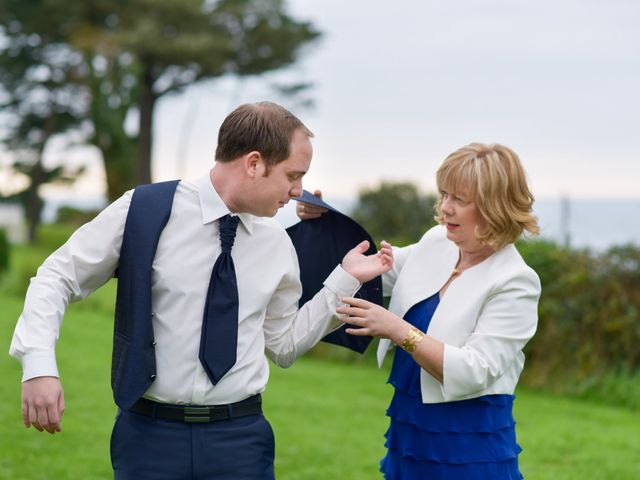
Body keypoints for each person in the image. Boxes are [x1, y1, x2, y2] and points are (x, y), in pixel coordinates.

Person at [9, 101, 393, 480]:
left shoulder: (276, 242)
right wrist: (39, 366)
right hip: (148, 439)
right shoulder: (144, 211)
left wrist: (345, 279)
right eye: (293, 176)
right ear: (254, 163)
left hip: (241, 441)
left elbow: (285, 346)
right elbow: (56, 277)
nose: (298, 192)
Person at [298, 143, 541, 479]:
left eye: (459, 199)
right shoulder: (437, 242)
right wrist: (325, 223)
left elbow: (475, 370)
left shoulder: (516, 281)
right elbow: (369, 271)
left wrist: (397, 329)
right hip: (410, 435)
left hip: (469, 446)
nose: (445, 208)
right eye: (443, 195)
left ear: (493, 207)